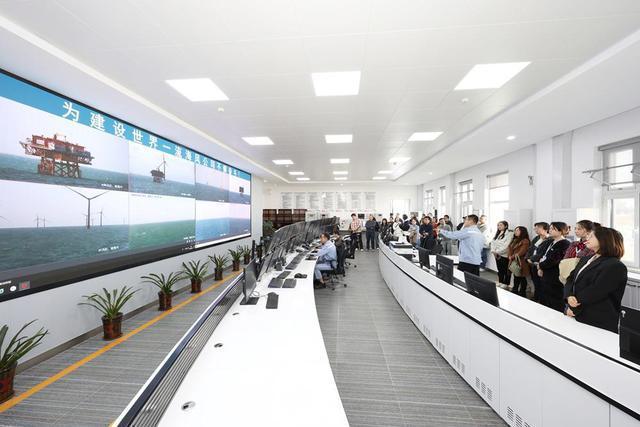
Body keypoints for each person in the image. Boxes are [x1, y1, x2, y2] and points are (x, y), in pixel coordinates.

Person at [564, 226, 628, 333]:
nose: (587, 238)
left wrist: (573, 308)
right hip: (577, 313)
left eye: (591, 236)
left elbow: (596, 291)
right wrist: (568, 296)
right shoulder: (586, 259)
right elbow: (570, 279)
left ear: (604, 240)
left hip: (597, 319)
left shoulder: (615, 265)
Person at [537, 222, 571, 311]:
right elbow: (545, 256)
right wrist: (540, 266)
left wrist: (540, 266)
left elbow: (554, 260)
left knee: (555, 301)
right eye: (550, 228)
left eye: (553, 229)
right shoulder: (552, 242)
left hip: (555, 276)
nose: (550, 230)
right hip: (547, 274)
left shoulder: (564, 243)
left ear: (560, 231)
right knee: (546, 299)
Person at [526, 222, 551, 302]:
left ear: (546, 229)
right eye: (535, 228)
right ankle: (536, 297)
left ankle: (541, 300)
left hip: (541, 265)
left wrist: (532, 259)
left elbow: (542, 253)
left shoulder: (550, 239)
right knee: (536, 282)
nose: (535, 229)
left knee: (542, 284)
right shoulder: (536, 238)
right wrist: (528, 258)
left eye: (538, 228)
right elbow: (531, 249)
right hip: (533, 264)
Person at [507, 226, 530, 297]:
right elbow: (509, 248)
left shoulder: (525, 241)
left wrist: (512, 257)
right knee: (516, 276)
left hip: (521, 261)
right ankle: (515, 289)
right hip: (514, 260)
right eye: (515, 230)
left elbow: (522, 252)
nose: (515, 232)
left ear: (522, 232)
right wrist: (509, 255)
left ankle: (522, 292)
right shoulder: (515, 239)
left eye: (517, 230)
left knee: (522, 277)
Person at [490, 221, 514, 289]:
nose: (499, 226)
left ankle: (506, 283)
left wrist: (497, 252)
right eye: (498, 225)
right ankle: (500, 282)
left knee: (506, 270)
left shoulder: (510, 234)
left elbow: (506, 246)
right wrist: (493, 251)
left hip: (504, 255)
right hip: (497, 255)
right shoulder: (498, 233)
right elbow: (493, 242)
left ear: (506, 226)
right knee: (500, 270)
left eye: (501, 225)